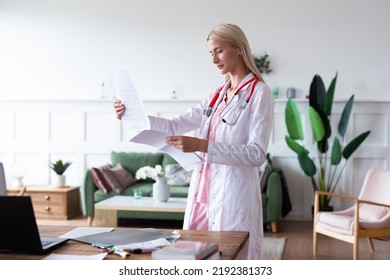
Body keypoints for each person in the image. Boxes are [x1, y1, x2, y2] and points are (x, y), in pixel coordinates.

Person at [114, 23, 274, 259]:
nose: (214, 60)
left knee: (231, 258)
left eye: (218, 51)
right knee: (197, 256)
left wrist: (202, 146)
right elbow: (174, 125)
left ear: (238, 48)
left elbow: (256, 154)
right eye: (211, 53)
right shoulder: (217, 96)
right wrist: (133, 115)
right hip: (203, 193)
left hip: (232, 193)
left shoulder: (259, 93)